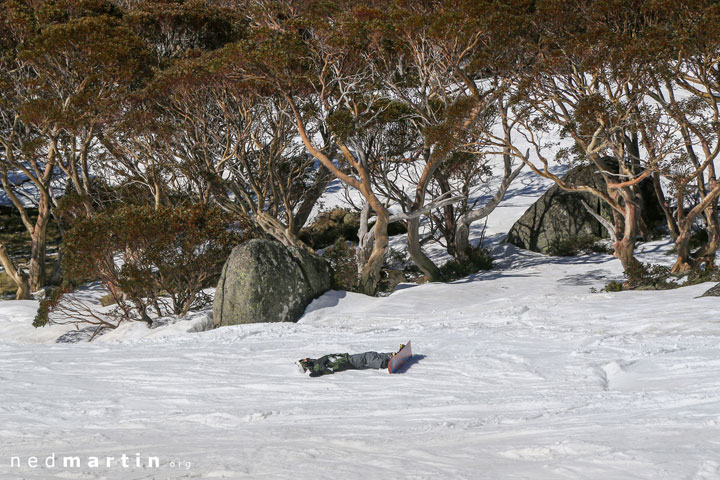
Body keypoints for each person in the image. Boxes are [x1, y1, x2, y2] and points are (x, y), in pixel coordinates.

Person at [296, 345, 404, 377]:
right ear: (304, 364)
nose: (307, 358)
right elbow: (328, 370)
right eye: (304, 360)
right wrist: (318, 372)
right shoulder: (317, 366)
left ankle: (394, 355)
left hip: (347, 360)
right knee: (367, 356)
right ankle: (385, 363)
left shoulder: (316, 363)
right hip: (348, 361)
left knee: (372, 354)